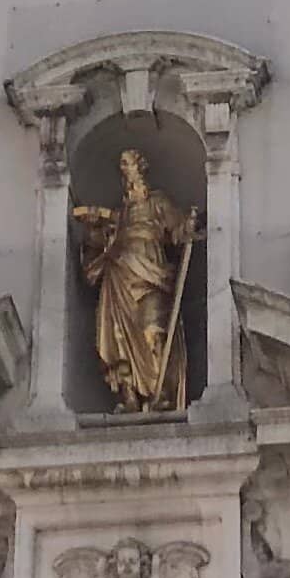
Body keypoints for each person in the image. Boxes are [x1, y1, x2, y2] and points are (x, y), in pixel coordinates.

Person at [73, 149, 197, 412]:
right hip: (119, 274)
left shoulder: (157, 201)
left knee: (153, 330)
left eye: (127, 164)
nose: (124, 169)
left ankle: (161, 392)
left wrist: (189, 226)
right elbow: (98, 244)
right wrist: (93, 230)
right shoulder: (119, 214)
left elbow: (176, 231)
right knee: (117, 335)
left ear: (140, 168)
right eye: (121, 165)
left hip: (151, 273)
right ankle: (129, 397)